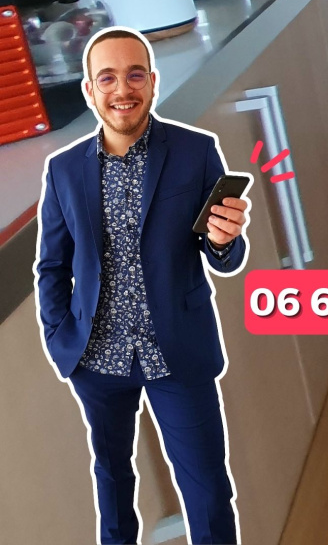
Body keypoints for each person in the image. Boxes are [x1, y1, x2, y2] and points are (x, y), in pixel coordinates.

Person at [37, 28, 249, 545]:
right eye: (107, 78)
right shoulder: (63, 171)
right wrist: (60, 337)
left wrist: (225, 241)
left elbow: (223, 256)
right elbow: (52, 266)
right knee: (112, 486)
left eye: (135, 75)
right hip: (96, 359)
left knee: (208, 493)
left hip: (177, 351)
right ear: (89, 91)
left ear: (152, 82)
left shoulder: (196, 152)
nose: (122, 89)